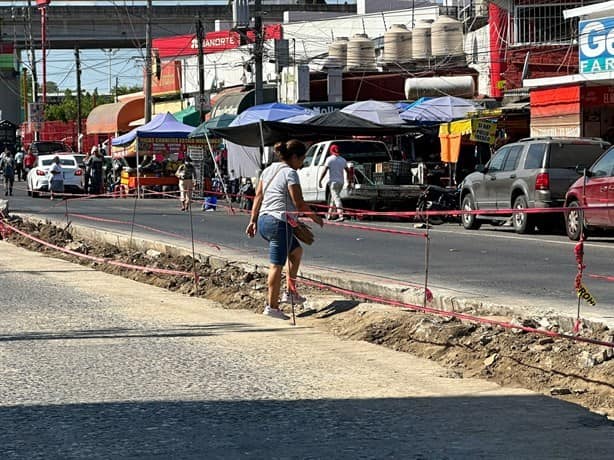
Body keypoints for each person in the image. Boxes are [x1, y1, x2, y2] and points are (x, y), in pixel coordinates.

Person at [246, 140, 323, 320]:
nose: (302, 163)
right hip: (279, 222)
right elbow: (299, 202)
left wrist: (253, 220)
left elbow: (258, 196)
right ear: (294, 157)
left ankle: (290, 292)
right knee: (276, 265)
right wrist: (315, 217)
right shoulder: (290, 173)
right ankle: (272, 307)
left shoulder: (269, 169)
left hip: (265, 220)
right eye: (302, 159)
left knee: (296, 252)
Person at [318, 143, 353, 222]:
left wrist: (320, 180)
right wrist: (349, 181)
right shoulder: (343, 160)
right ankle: (329, 215)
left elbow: (325, 170)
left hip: (333, 182)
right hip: (341, 182)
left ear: (331, 150)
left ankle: (341, 215)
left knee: (336, 198)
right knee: (333, 198)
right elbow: (348, 172)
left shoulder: (329, 159)